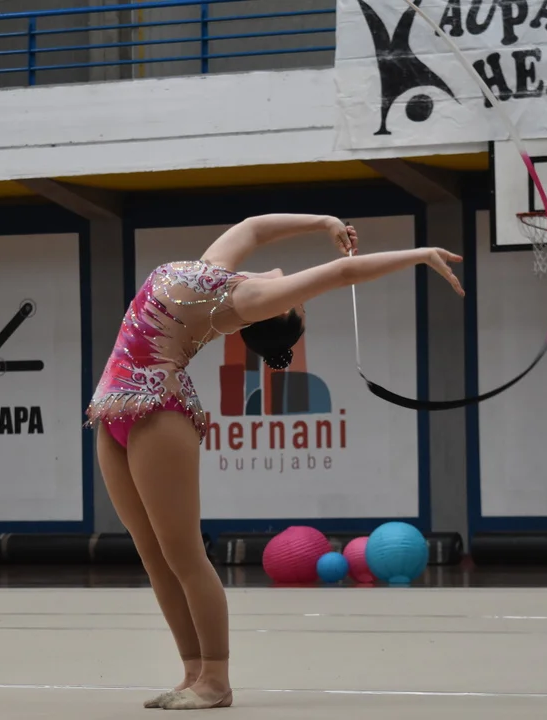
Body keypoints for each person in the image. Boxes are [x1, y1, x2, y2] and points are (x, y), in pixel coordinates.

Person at [84, 214, 463, 710]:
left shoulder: (246, 299)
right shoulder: (214, 272)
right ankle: (193, 673)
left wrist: (420, 254)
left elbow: (343, 273)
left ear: (277, 309)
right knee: (153, 556)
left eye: (297, 303)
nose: (293, 288)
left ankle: (216, 678)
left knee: (183, 556)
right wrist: (324, 221)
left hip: (159, 413)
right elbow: (254, 228)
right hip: (113, 407)